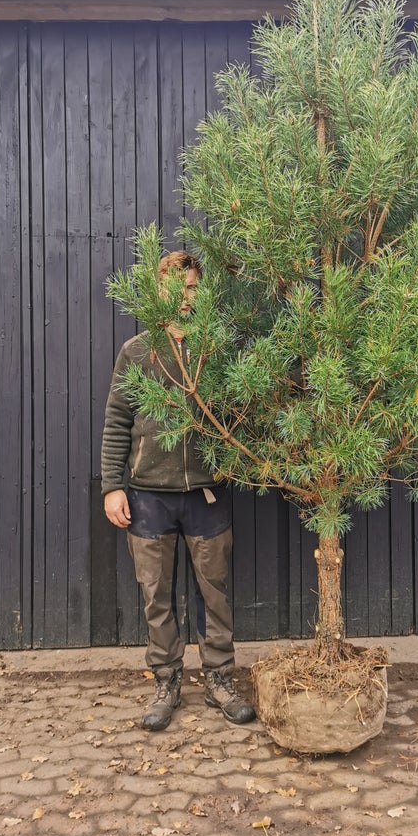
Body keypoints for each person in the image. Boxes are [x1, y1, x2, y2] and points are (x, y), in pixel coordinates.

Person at [101, 250, 255, 732]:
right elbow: (117, 422)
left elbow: (239, 416)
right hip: (148, 496)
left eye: (192, 288)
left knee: (215, 592)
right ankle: (166, 681)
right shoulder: (137, 351)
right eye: (177, 288)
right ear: (158, 290)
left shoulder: (217, 351)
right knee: (156, 595)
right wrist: (112, 487)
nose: (185, 297)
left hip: (207, 497)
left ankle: (219, 678)